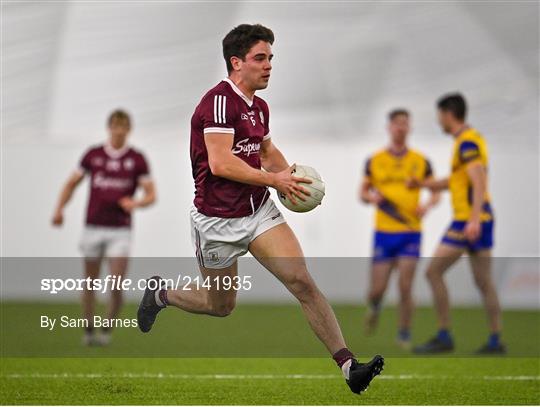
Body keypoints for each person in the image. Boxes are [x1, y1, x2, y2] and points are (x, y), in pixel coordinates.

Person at [136, 24, 383, 394]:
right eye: (260, 58)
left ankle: (349, 366)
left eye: (270, 58)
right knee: (221, 306)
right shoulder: (219, 102)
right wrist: (276, 181)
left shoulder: (259, 107)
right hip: (216, 222)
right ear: (236, 62)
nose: (268, 65)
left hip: (258, 213)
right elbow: (221, 164)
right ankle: (160, 295)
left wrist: (291, 180)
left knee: (302, 282)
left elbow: (266, 154)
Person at [52, 109, 156, 346]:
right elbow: (71, 184)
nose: (119, 130)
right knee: (89, 281)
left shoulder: (136, 159)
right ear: (109, 127)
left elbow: (151, 194)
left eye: (123, 126)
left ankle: (107, 327)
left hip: (120, 229)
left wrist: (135, 202)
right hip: (93, 227)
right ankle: (88, 330)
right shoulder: (94, 155)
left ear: (129, 129)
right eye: (115, 126)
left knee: (116, 282)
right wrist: (59, 209)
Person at [411, 93, 505, 354]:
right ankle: (496, 340)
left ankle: (444, 335)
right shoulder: (469, 140)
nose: (438, 120)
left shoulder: (466, 144)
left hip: (468, 220)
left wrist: (473, 219)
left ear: (448, 113)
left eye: (439, 115)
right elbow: (456, 181)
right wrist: (423, 184)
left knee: (433, 272)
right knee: (484, 281)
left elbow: (478, 180)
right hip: (481, 218)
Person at [360, 109, 440, 349]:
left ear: (410, 128)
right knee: (377, 289)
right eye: (397, 124)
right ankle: (374, 306)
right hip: (384, 233)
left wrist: (427, 205)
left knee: (405, 286)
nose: (401, 128)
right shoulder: (375, 160)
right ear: (389, 127)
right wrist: (372, 198)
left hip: (410, 232)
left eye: (405, 124)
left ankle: (404, 333)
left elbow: (435, 191)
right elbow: (363, 192)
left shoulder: (420, 160)